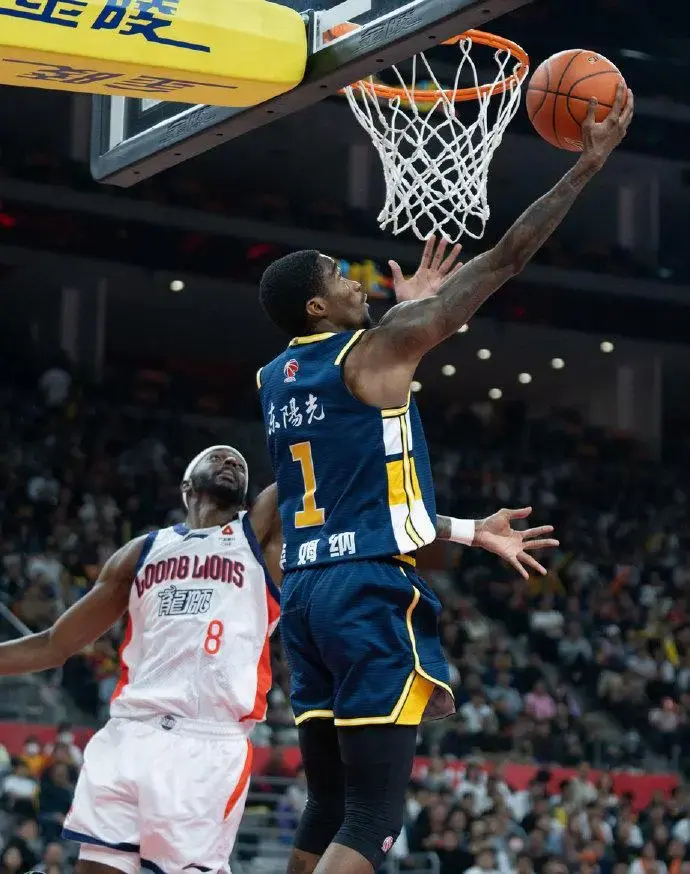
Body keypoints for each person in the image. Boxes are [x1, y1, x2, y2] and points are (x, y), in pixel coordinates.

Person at [256, 85, 634, 874]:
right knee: (373, 815)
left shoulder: (276, 379)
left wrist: (465, 530)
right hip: (364, 593)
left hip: (307, 594)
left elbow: (349, 497)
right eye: (341, 276)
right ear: (318, 305)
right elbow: (506, 260)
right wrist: (586, 167)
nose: (358, 279)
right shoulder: (377, 349)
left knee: (328, 804)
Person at [0, 445, 283, 874]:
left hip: (206, 742)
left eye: (239, 464)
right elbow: (55, 644)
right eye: (217, 457)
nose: (230, 463)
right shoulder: (142, 552)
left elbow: (304, 457)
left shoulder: (256, 539)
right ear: (186, 484)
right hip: (130, 733)